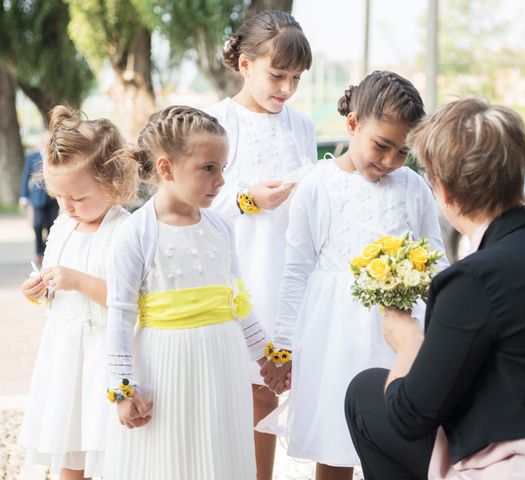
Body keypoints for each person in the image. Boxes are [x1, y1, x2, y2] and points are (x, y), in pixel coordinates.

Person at [345, 96, 525, 480]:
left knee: (366, 393)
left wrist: (410, 346)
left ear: (446, 192)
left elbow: (409, 418)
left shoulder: (473, 280)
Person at [266, 71, 448, 480]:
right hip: (335, 335)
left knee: (398, 432)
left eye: (402, 152)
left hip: (397, 331)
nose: (389, 161)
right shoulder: (318, 186)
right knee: (336, 439)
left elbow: (436, 257)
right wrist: (283, 345)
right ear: (353, 124)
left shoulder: (414, 188)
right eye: (381, 146)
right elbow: (296, 270)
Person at [104, 106, 280, 480]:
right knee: (171, 457)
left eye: (222, 168)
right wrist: (122, 389)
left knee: (220, 454)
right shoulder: (137, 234)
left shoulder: (220, 226)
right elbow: (119, 314)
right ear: (166, 168)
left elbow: (236, 299)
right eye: (208, 168)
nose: (220, 181)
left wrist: (267, 355)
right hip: (167, 363)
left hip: (222, 361)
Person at [205, 10, 316, 479]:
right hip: (238, 266)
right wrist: (248, 199)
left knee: (270, 387)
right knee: (232, 385)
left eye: (295, 78)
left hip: (287, 269)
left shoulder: (302, 126)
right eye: (277, 75)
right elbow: (198, 200)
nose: (286, 89)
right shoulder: (216, 121)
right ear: (245, 63)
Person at [18, 106, 137, 480]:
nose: (67, 207)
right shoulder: (64, 226)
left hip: (105, 356)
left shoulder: (124, 231)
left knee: (112, 452)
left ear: (113, 182)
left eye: (79, 198)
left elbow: (130, 300)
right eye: (59, 197)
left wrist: (77, 280)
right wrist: (39, 291)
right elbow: (57, 289)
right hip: (66, 355)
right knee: (68, 448)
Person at [19, 131, 59, 267]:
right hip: (37, 198)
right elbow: (26, 178)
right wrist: (23, 197)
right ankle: (38, 251)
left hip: (53, 197)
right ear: (42, 141)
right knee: (37, 225)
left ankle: (47, 252)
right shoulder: (32, 157)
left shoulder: (57, 155)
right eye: (46, 140)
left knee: (51, 225)